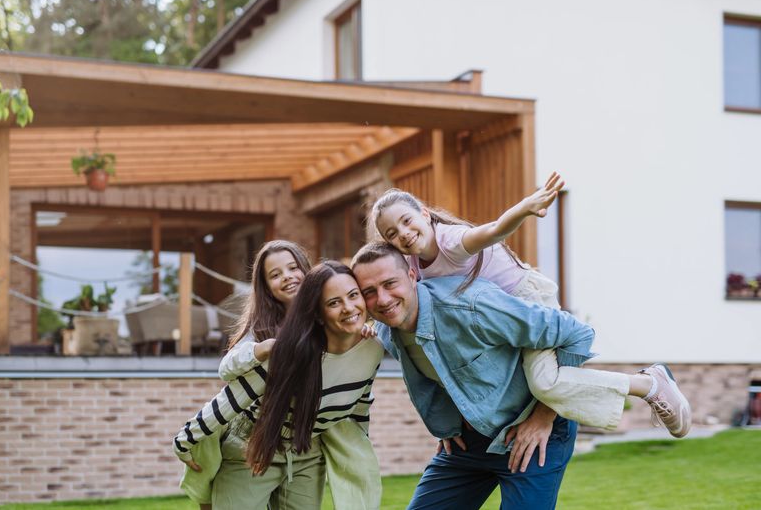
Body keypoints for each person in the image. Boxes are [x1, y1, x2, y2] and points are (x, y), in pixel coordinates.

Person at [351, 242, 690, 509]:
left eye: (390, 283)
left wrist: (544, 414)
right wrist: (446, 423)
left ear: (412, 276)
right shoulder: (387, 331)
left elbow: (575, 334)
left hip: (534, 435)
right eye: (369, 292)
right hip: (469, 443)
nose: (382, 298)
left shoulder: (470, 305)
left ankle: (650, 384)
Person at [368, 176, 691, 438]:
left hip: (527, 300)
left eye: (407, 221)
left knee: (544, 382)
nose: (405, 234)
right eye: (392, 233)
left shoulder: (452, 241)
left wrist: (523, 209)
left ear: (424, 213)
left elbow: (493, 230)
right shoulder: (410, 262)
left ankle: (648, 384)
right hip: (497, 317)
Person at [174, 260, 383, 510]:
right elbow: (232, 399)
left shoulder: (373, 350)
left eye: (353, 295)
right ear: (318, 314)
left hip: (307, 451)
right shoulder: (291, 353)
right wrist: (184, 441)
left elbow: (359, 406)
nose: (349, 308)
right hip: (253, 446)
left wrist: (359, 449)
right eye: (334, 302)